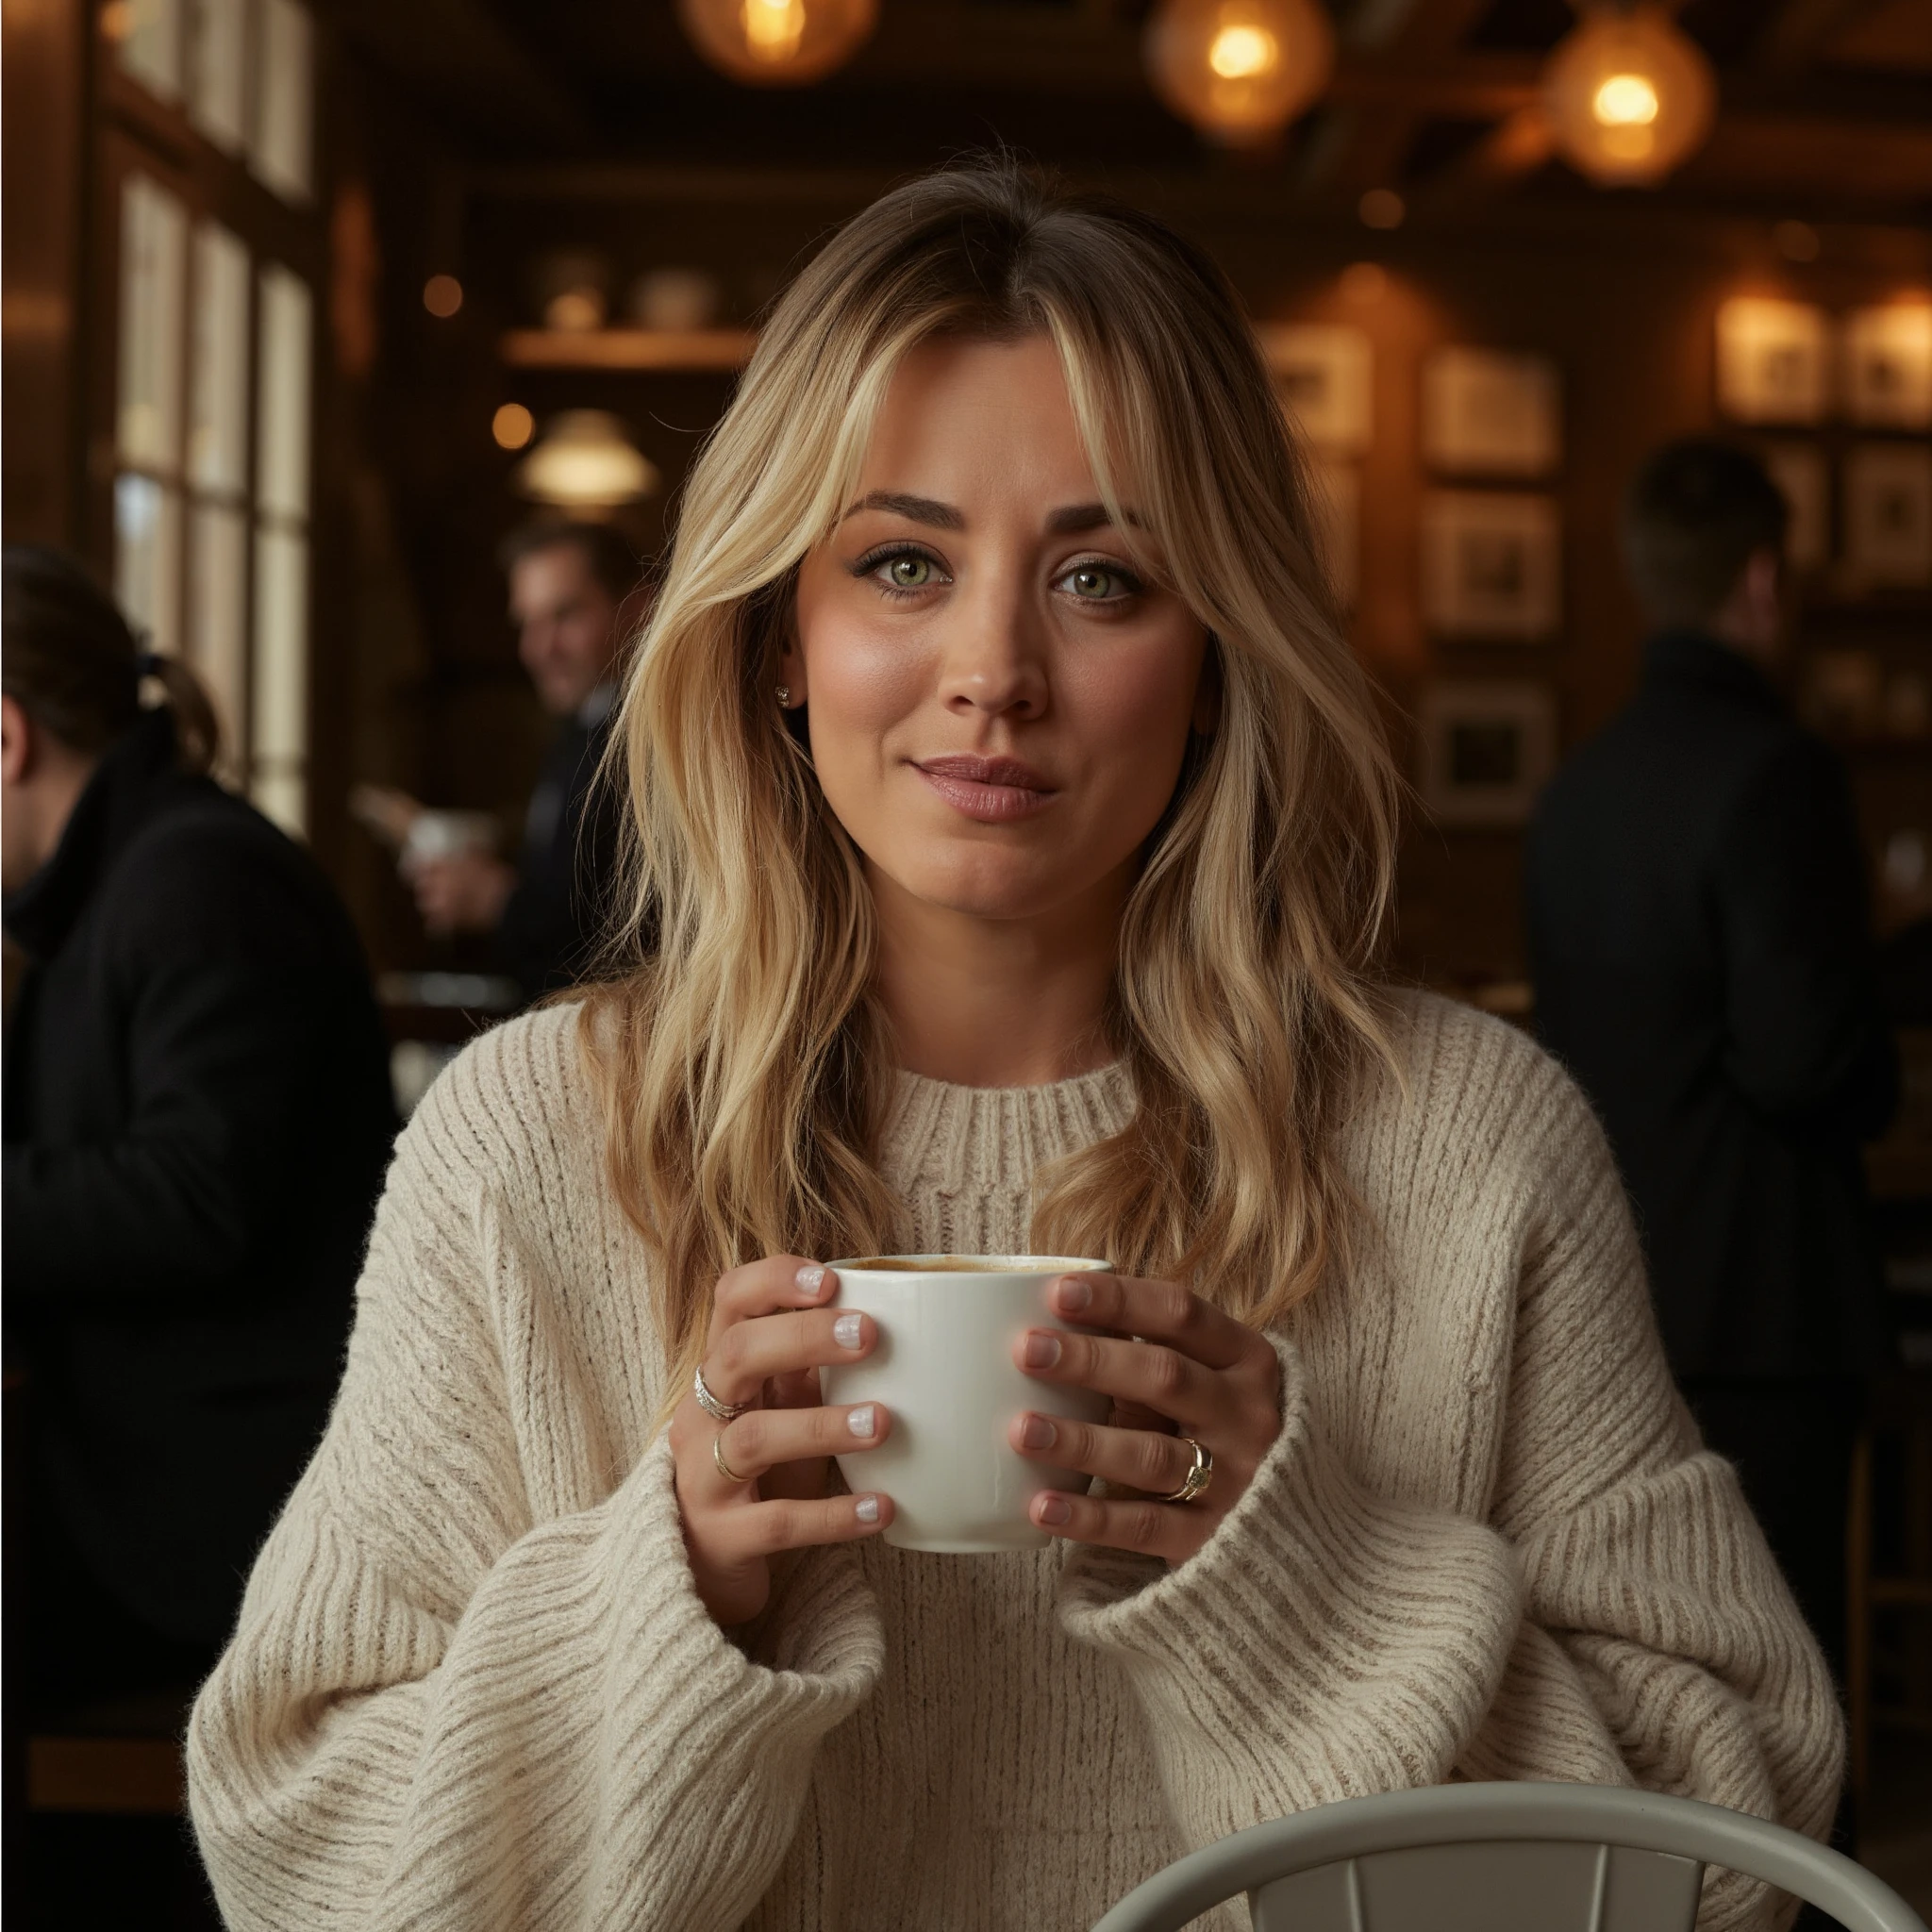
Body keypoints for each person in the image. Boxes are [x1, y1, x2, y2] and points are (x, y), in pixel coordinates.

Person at [188, 168, 1840, 1932]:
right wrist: (666, 1592)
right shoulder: (528, 1142)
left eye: (1101, 577)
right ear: (776, 640)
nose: (994, 670)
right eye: (901, 562)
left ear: (1213, 656)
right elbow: (301, 1849)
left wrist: (1302, 1587)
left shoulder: (1467, 1143)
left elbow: (1723, 1849)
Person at [2, 546, 398, 1718]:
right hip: (140, 1462)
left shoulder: (196, 881)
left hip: (217, 1511)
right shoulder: (131, 877)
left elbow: (193, 1195)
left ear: (7, 737)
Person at [1526, 440, 1898, 1687]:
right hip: (1768, 1310)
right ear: (1762, 580)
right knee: (1786, 1692)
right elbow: (1804, 1063)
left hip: (1604, 1298)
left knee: (1651, 1678)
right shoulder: (1778, 771)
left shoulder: (1576, 790)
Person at [362, 521, 641, 1002]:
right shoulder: (581, 730)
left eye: (566, 615)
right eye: (528, 624)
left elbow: (636, 944)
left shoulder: (654, 742)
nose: (539, 650)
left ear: (637, 606)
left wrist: (498, 902)